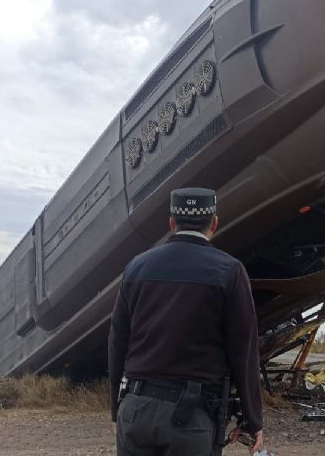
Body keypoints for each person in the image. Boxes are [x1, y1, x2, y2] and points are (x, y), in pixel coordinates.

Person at [108, 187, 264, 455]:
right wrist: (252, 419)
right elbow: (244, 351)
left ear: (171, 223)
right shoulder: (229, 271)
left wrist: (117, 409)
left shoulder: (136, 267)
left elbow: (117, 342)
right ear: (214, 223)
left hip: (135, 411)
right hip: (192, 418)